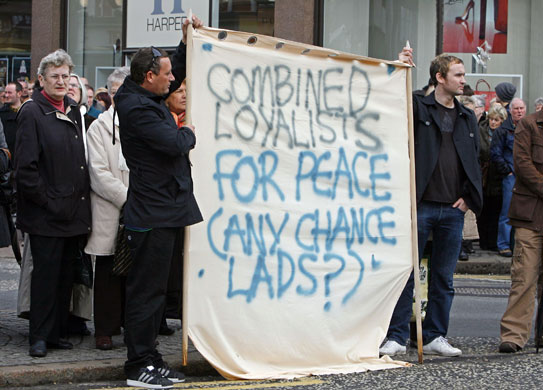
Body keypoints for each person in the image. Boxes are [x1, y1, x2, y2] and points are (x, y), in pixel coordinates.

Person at [114, 15, 204, 389]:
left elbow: (175, 67)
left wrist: (185, 41)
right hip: (151, 213)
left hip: (164, 210)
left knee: (156, 293)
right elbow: (172, 144)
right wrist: (188, 133)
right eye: (167, 75)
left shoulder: (144, 92)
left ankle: (151, 357)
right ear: (150, 77)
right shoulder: (139, 108)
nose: (174, 80)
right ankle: (138, 365)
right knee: (146, 293)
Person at [379, 50, 482, 357]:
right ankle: (396, 336)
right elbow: (392, 98)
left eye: (463, 75)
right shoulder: (419, 107)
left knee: (443, 277)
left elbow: (475, 158)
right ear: (440, 78)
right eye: (458, 75)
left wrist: (467, 198)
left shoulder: (465, 117)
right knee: (406, 274)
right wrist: (400, 65)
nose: (464, 81)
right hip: (420, 206)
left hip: (452, 208)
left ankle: (436, 335)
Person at [15, 49, 91, 358]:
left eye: (65, 76)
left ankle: (57, 332)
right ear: (41, 80)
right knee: (44, 279)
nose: (61, 81)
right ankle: (40, 337)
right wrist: (50, 202)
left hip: (73, 212)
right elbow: (26, 169)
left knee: (64, 277)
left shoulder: (73, 110)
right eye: (54, 76)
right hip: (47, 214)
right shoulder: (32, 111)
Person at [85, 66, 130, 351]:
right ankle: (105, 329)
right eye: (115, 93)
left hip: (139, 209)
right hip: (110, 209)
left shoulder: (141, 123)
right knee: (107, 272)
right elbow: (98, 172)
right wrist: (128, 198)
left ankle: (132, 326)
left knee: (136, 273)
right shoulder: (98, 127)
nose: (120, 97)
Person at [498, 107, 543, 353]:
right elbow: (522, 163)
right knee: (523, 277)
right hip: (529, 214)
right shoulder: (528, 124)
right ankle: (513, 335)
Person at [490, 98, 527, 257]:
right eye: (516, 108)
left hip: (527, 177)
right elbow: (496, 154)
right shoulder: (502, 131)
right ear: (510, 110)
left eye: (521, 108)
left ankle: (519, 246)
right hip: (510, 177)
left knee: (524, 213)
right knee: (507, 212)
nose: (519, 111)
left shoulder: (530, 128)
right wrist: (508, 172)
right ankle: (503, 245)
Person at [477, 104, 507, 251]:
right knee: (483, 210)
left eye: (497, 120)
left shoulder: (504, 133)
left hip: (497, 177)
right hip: (483, 175)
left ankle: (493, 242)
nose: (493, 122)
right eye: (491, 119)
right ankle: (483, 241)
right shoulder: (480, 131)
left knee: (496, 210)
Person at [0, 82, 23, 157]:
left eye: (9, 93)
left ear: (19, 93)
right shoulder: (2, 113)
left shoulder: (28, 112)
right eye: (5, 92)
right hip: (8, 158)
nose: (6, 95)